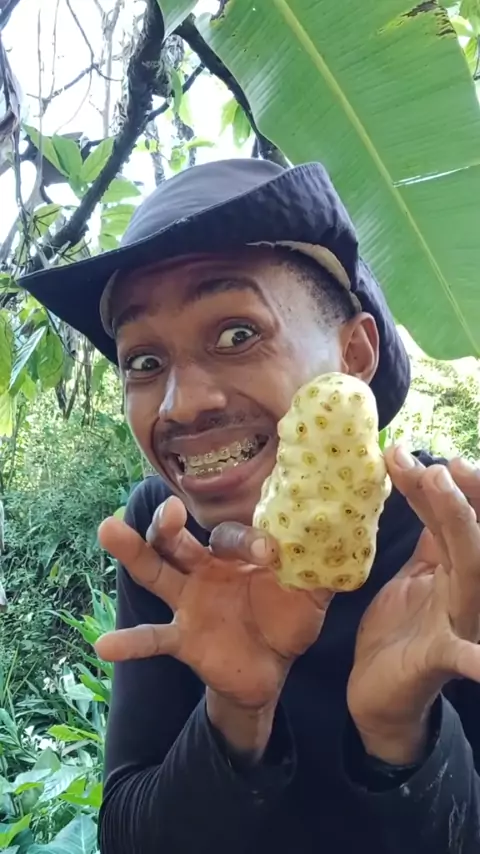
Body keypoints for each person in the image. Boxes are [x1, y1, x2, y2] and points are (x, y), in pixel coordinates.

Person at [21, 158, 480, 854]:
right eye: (143, 362)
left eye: (237, 334)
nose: (182, 404)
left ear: (354, 353)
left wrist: (401, 737)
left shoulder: (453, 539)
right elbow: (128, 835)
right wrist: (233, 715)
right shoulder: (167, 533)